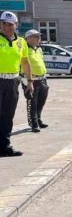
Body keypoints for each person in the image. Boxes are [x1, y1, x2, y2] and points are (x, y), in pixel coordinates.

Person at [0, 11, 33, 157]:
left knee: (8, 115)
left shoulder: (21, 42)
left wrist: (29, 81)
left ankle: (5, 146)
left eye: (10, 24)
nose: (7, 27)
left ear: (16, 25)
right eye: (4, 24)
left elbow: (25, 62)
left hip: (13, 82)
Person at [21, 29, 49, 132]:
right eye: (35, 36)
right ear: (28, 38)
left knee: (41, 101)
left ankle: (39, 119)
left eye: (39, 36)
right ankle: (33, 123)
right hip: (30, 80)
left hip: (42, 79)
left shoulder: (39, 49)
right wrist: (27, 80)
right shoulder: (24, 49)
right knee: (32, 102)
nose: (38, 38)